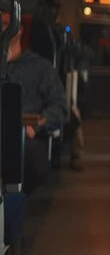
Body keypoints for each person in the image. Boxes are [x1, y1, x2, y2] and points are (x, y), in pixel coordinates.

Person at [2, 12, 68, 193]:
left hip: (24, 136)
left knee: (24, 157)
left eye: (6, 24)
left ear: (19, 30)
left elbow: (60, 107)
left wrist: (35, 127)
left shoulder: (40, 68)